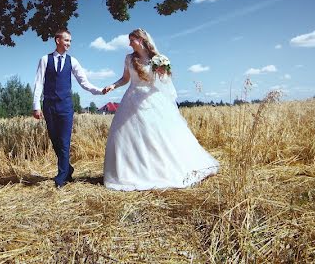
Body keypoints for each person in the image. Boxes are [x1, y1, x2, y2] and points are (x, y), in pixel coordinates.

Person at [101, 28, 219, 191]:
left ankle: (160, 169)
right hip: (131, 99)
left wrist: (164, 73)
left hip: (152, 100)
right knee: (126, 136)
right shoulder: (129, 58)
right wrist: (113, 85)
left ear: (141, 40)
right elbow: (125, 78)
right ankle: (134, 171)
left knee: (158, 136)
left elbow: (165, 79)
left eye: (132, 40)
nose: (129, 44)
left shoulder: (158, 59)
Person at [33, 28, 105, 188]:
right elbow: (38, 83)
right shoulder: (45, 59)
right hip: (49, 106)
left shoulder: (73, 61)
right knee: (55, 142)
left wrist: (100, 91)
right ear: (57, 40)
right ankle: (68, 169)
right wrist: (36, 105)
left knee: (64, 142)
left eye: (70, 41)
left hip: (66, 106)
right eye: (66, 40)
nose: (69, 44)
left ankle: (61, 178)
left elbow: (84, 82)